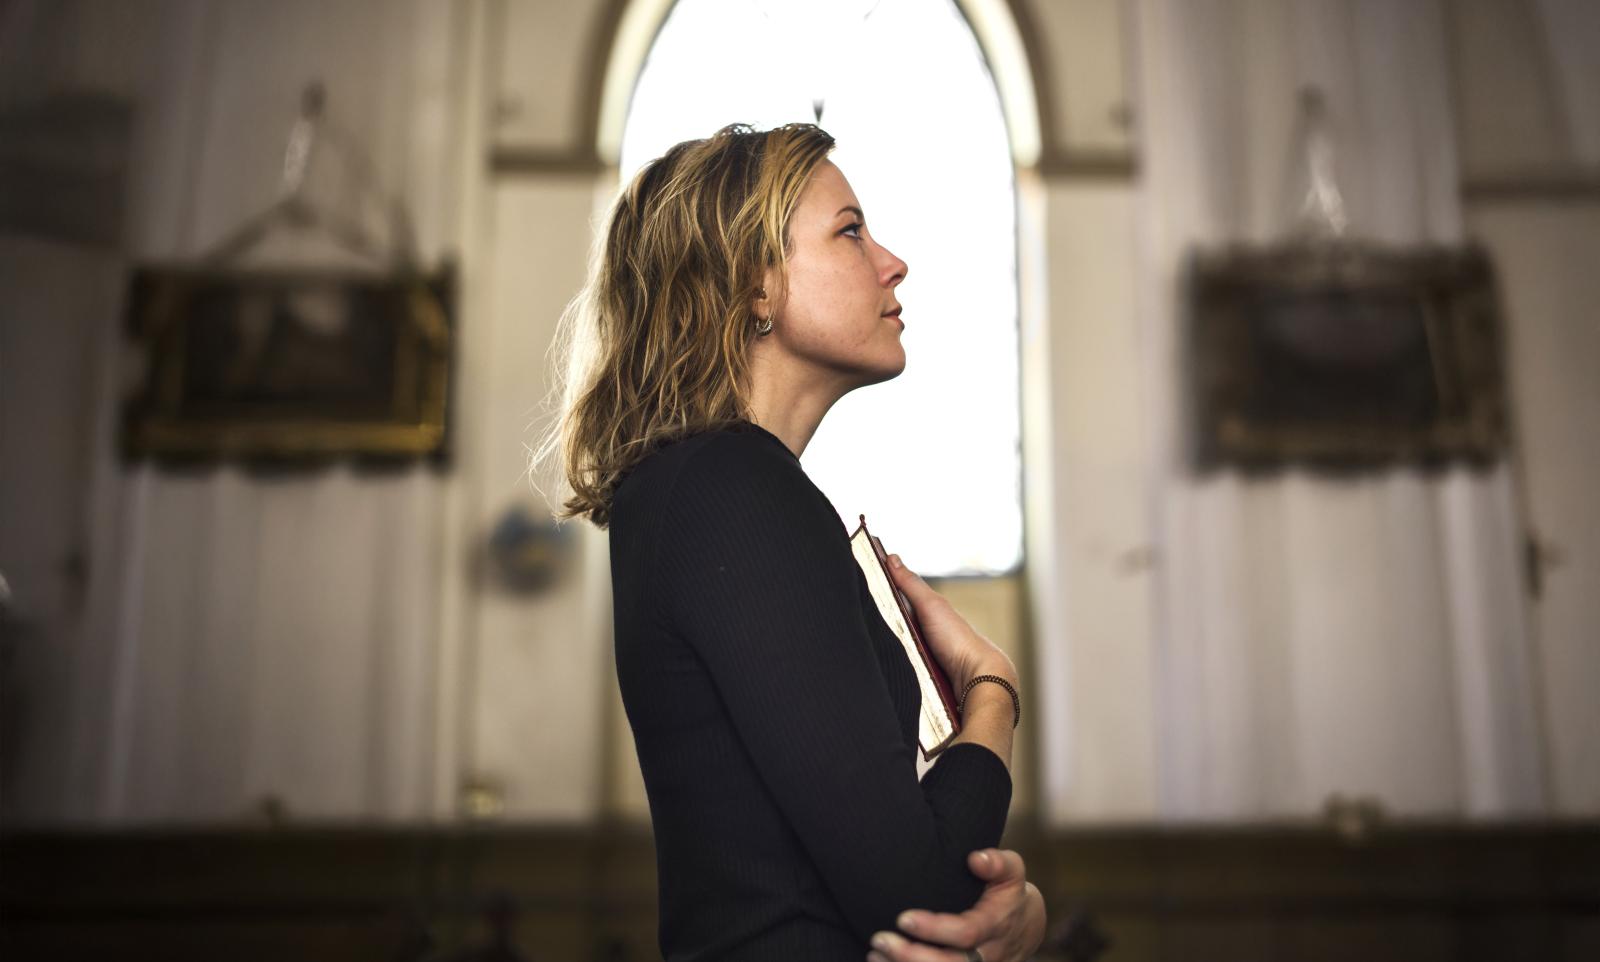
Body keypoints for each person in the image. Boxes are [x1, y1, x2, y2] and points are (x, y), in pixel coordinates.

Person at [535, 122, 1047, 962]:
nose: (893, 263)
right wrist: (993, 690)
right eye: (851, 232)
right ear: (755, 285)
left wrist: (1020, 909)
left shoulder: (700, 485)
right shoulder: (730, 488)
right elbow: (922, 898)